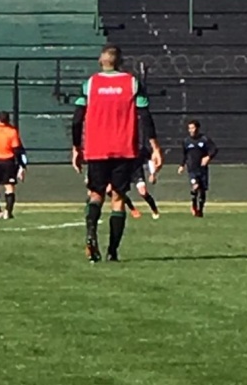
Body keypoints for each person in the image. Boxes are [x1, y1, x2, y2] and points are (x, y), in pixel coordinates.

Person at [71, 44, 163, 263]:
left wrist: (76, 147)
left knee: (95, 195)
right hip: (124, 149)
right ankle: (112, 251)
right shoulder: (131, 83)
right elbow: (145, 116)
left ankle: (91, 234)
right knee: (118, 199)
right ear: (120, 61)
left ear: (100, 61)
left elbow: (76, 119)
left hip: (96, 149)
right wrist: (155, 148)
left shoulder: (90, 84)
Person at [178, 120, 218, 217]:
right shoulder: (186, 141)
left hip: (202, 169)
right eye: (189, 128)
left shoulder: (204, 139)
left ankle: (200, 209)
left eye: (193, 128)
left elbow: (214, 149)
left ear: (197, 128)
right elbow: (184, 154)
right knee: (195, 187)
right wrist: (182, 165)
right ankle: (193, 205)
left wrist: (208, 157)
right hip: (192, 169)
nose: (191, 130)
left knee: (202, 190)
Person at [124, 143, 161, 220]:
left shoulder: (141, 148)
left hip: (137, 173)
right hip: (124, 172)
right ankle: (132, 209)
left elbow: (150, 159)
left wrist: (152, 174)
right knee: (118, 193)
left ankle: (154, 210)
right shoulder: (122, 147)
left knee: (143, 192)